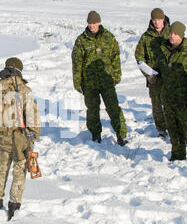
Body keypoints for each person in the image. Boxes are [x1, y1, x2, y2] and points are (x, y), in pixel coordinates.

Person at [0, 57, 41, 220]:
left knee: (1, 169)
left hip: (2, 138)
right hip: (20, 138)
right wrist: (33, 136)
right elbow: (32, 116)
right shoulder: (24, 89)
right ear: (20, 70)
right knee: (19, 171)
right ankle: (14, 205)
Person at [72, 11, 128, 146]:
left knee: (113, 108)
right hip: (89, 83)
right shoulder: (81, 40)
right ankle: (96, 135)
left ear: (99, 22)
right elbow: (77, 62)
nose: (91, 26)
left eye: (94, 23)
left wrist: (116, 75)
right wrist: (77, 81)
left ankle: (121, 134)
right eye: (89, 23)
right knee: (92, 110)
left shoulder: (109, 38)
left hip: (107, 81)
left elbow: (115, 57)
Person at [158, 21, 187, 163]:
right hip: (168, 100)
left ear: (181, 35)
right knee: (174, 132)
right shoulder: (164, 50)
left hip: (185, 103)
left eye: (175, 34)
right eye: (170, 33)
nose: (171, 36)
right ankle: (177, 158)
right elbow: (162, 71)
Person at [135, 8, 170, 138]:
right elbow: (139, 56)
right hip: (153, 77)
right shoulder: (146, 36)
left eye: (159, 19)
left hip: (169, 76)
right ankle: (161, 129)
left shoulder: (171, 33)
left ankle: (173, 128)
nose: (157, 22)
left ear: (163, 19)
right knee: (156, 104)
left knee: (170, 103)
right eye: (154, 20)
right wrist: (148, 74)